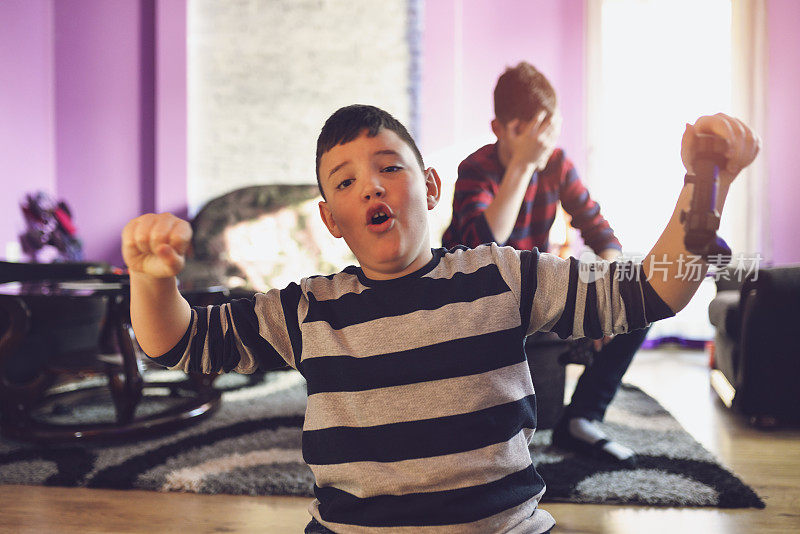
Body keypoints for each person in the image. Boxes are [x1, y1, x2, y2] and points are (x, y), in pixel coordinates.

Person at [122, 104, 758, 533]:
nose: (370, 187)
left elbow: (649, 293)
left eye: (387, 168)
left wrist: (706, 186)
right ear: (331, 221)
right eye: (344, 183)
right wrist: (153, 283)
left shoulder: (500, 274)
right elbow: (179, 344)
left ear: (429, 188)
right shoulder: (307, 309)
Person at [442, 62, 645, 465]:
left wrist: (605, 294)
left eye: (547, 131)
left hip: (533, 297)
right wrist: (522, 164)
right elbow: (483, 245)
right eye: (529, 133)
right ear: (498, 127)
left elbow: (603, 235)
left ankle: (582, 419)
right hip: (476, 304)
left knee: (633, 290)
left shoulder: (557, 164)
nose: (542, 143)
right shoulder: (475, 169)